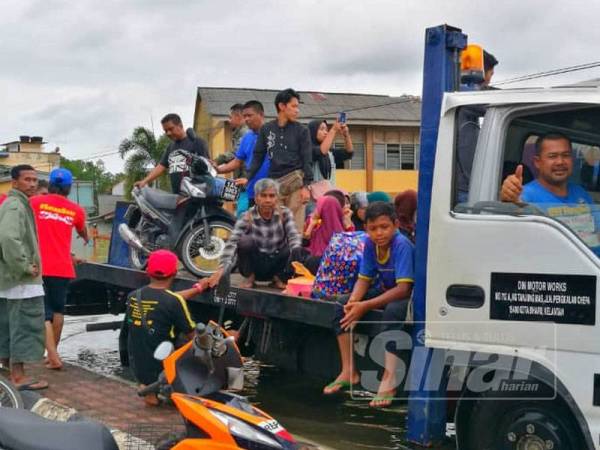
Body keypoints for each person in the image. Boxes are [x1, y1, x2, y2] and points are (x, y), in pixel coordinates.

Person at [323, 202, 414, 408]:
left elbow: (403, 289)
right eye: (373, 229)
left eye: (384, 227)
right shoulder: (371, 245)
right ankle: (349, 371)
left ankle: (389, 379)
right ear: (366, 229)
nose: (379, 233)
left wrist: (364, 306)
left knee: (392, 313)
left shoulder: (402, 245)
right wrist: (354, 302)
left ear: (396, 225)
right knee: (341, 306)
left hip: (406, 295)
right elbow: (364, 279)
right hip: (383, 289)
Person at [125, 249, 209, 406]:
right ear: (175, 273)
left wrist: (198, 289)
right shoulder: (174, 302)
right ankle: (168, 390)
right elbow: (195, 338)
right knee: (197, 347)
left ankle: (147, 388)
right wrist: (227, 340)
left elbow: (163, 301)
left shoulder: (133, 296)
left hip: (138, 366)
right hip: (161, 369)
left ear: (148, 272)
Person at [500, 134, 600, 254]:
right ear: (537, 162)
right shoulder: (525, 194)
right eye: (552, 156)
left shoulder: (580, 192)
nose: (560, 162)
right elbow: (516, 213)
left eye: (566, 155)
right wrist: (509, 200)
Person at [30, 168, 89, 370]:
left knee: (43, 313)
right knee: (58, 310)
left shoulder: (35, 203)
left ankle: (52, 356)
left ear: (51, 185)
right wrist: (85, 237)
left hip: (40, 266)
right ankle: (53, 352)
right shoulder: (76, 209)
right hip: (63, 267)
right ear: (69, 188)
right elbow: (83, 231)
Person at [0, 165, 47, 391]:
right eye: (27, 179)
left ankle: (8, 373)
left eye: (34, 180)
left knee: (9, 325)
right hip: (21, 281)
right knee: (24, 325)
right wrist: (25, 266)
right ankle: (18, 377)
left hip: (11, 279)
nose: (32, 184)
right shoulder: (16, 206)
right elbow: (9, 238)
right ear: (15, 182)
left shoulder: (17, 204)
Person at [209, 178, 303, 289]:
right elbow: (232, 243)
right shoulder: (246, 216)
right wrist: (222, 269)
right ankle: (250, 278)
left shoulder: (285, 213)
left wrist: (296, 249)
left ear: (277, 198)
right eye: (263, 196)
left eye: (271, 196)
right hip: (255, 266)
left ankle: (279, 278)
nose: (268, 200)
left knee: (294, 246)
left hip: (277, 266)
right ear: (256, 198)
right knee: (244, 241)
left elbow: (293, 236)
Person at [247, 88, 313, 231]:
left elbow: (307, 159)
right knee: (274, 228)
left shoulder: (302, 130)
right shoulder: (266, 129)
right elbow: (257, 156)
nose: (297, 110)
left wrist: (306, 186)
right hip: (275, 185)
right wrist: (247, 177)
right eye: (294, 106)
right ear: (282, 106)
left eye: (298, 107)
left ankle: (293, 253)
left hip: (296, 183)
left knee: (294, 229)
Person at [456, 50, 499, 203]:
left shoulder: (464, 96)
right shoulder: (465, 96)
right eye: (491, 74)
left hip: (466, 183)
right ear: (483, 73)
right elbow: (496, 102)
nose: (490, 79)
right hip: (463, 187)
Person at [135, 113, 209, 194]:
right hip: (177, 197)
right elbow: (161, 166)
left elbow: (208, 166)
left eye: (171, 129)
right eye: (165, 131)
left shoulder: (196, 142)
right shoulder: (170, 147)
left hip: (196, 195)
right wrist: (145, 181)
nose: (168, 133)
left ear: (180, 126)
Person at [217, 101, 269, 215]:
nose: (246, 119)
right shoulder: (247, 137)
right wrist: (218, 169)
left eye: (249, 116)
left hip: (271, 192)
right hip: (252, 191)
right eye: (245, 116)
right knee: (252, 228)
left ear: (261, 115)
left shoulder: (272, 134)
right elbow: (237, 161)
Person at [303, 195, 347, 274]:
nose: (315, 210)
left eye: (318, 207)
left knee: (313, 261)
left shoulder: (342, 229)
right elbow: (305, 244)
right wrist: (311, 226)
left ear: (325, 210)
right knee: (298, 252)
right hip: (316, 258)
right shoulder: (318, 225)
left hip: (331, 264)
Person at [307, 119, 353, 188]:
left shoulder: (329, 153)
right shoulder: (306, 149)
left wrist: (346, 135)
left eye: (326, 130)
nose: (325, 132)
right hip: (311, 195)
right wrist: (334, 130)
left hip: (327, 193)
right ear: (312, 131)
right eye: (322, 129)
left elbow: (349, 153)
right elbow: (320, 152)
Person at [214, 103, 249, 181]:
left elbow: (236, 153)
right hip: (242, 177)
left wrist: (216, 162)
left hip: (246, 179)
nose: (229, 121)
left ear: (238, 116)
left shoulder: (245, 133)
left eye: (231, 117)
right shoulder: (239, 133)